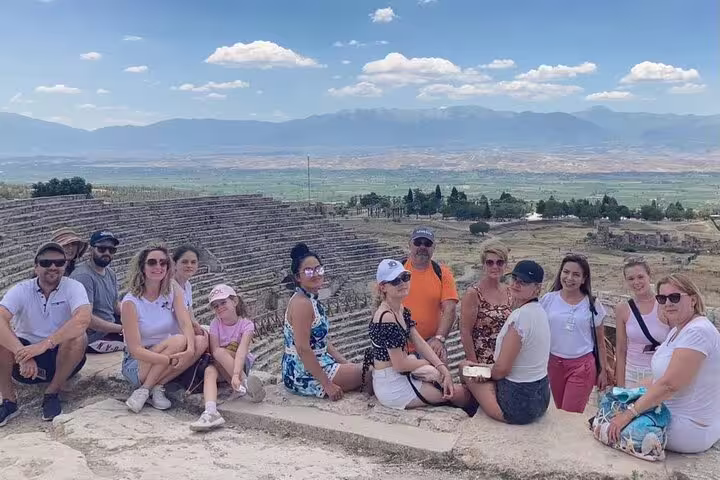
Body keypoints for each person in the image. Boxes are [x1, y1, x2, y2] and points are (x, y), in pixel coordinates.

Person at [607, 274, 720, 454]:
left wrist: (629, 414)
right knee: (611, 406)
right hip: (669, 413)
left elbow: (669, 385)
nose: (667, 303)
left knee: (611, 428)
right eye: (662, 298)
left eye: (674, 297)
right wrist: (623, 393)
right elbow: (658, 378)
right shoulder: (678, 330)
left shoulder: (698, 332)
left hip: (689, 427)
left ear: (693, 300)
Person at [0, 242, 91, 424]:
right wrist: (23, 354)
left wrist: (44, 345)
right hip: (25, 360)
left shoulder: (74, 287)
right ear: (36, 266)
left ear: (65, 265)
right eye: (46, 262)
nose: (53, 267)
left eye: (59, 262)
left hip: (61, 357)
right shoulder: (22, 289)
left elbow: (83, 319)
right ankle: (9, 401)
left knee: (79, 336)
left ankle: (52, 393)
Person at [363, 259, 470, 410]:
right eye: (395, 281)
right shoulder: (386, 317)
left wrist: (441, 367)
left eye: (405, 277)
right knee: (459, 395)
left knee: (455, 390)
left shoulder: (400, 309)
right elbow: (400, 365)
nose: (402, 283)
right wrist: (431, 365)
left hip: (400, 377)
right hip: (393, 386)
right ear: (383, 287)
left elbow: (417, 340)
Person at [120, 243, 208, 413]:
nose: (158, 267)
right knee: (179, 340)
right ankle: (145, 388)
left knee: (200, 341)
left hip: (165, 353)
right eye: (152, 262)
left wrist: (190, 350)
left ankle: (154, 387)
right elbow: (135, 349)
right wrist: (168, 360)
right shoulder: (130, 302)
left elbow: (184, 322)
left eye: (163, 263)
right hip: (138, 363)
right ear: (142, 267)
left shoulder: (172, 291)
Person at [460, 260, 551, 424]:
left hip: (517, 406)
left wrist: (485, 375)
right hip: (541, 399)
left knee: (465, 369)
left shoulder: (520, 317)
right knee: (477, 369)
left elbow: (501, 371)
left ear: (537, 289)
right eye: (515, 279)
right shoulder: (540, 312)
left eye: (523, 282)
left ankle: (469, 408)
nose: (516, 284)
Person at [282, 243, 363, 400]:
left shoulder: (309, 298)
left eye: (318, 269)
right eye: (308, 271)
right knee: (370, 372)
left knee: (363, 370)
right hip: (303, 374)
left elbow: (321, 341)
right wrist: (327, 384)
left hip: (314, 364)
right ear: (298, 277)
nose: (316, 274)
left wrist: (345, 363)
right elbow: (303, 348)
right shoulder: (302, 304)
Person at [190, 284, 265, 431]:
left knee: (221, 353)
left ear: (235, 301)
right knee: (210, 370)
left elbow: (242, 351)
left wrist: (236, 374)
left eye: (223, 302)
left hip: (240, 365)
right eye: (215, 306)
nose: (219, 307)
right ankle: (211, 411)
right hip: (221, 366)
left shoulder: (246, 325)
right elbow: (214, 351)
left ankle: (243, 383)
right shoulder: (215, 324)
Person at [541, 254, 609, 413]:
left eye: (576, 274)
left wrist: (603, 371)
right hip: (553, 364)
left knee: (570, 413)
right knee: (558, 410)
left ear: (584, 279)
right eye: (566, 272)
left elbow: (600, 342)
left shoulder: (592, 304)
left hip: (582, 367)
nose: (569, 278)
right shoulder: (548, 300)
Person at [402, 227, 458, 362]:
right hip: (398, 344)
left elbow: (450, 309)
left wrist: (439, 339)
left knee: (440, 378)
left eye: (427, 244)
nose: (422, 247)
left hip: (430, 345)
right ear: (410, 244)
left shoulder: (442, 273)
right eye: (418, 243)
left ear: (433, 247)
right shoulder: (397, 270)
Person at [614, 257, 670, 388]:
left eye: (640, 277)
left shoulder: (664, 305)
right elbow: (621, 349)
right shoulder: (623, 309)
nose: (636, 282)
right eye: (631, 279)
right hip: (632, 374)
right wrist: (620, 386)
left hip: (659, 374)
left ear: (649, 276)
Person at [71, 231, 125, 354]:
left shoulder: (110, 273)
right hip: (95, 337)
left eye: (111, 250)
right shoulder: (84, 276)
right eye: (102, 249)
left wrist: (136, 315)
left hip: (110, 327)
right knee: (141, 342)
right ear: (91, 250)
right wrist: (122, 329)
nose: (107, 253)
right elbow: (87, 319)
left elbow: (115, 304)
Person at [460, 240, 512, 364]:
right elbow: (465, 332)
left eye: (499, 262)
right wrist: (473, 364)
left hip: (506, 361)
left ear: (505, 265)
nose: (495, 266)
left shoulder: (509, 291)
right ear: (483, 265)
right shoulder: (473, 294)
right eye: (490, 262)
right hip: (483, 361)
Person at [172, 245, 207, 338]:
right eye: (184, 262)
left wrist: (199, 329)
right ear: (175, 264)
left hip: (185, 330)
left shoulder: (187, 286)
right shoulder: (168, 287)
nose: (189, 265)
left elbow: (191, 316)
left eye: (193, 262)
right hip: (174, 335)